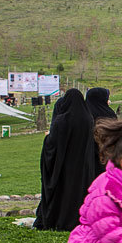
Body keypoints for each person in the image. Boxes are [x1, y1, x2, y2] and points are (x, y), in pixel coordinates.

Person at [34, 89, 96, 231]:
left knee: (64, 193)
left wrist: (47, 138)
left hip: (64, 167)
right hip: (82, 166)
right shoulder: (88, 119)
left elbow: (52, 144)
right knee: (79, 194)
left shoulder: (62, 121)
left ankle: (60, 220)